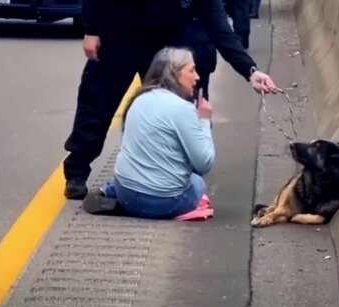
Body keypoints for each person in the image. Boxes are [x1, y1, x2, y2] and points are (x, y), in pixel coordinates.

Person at [63, 0, 277, 200]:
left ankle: (180, 173)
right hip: (118, 36)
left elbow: (218, 27)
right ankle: (77, 172)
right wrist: (91, 29)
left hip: (165, 44)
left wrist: (250, 70)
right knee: (96, 106)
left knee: (180, 108)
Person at [83, 47, 214, 219]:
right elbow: (204, 163)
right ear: (174, 74)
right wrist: (204, 120)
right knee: (197, 182)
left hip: (126, 193)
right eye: (191, 70)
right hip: (166, 202)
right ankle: (148, 206)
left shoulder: (139, 98)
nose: (197, 77)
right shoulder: (184, 109)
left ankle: (110, 191)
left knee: (138, 170)